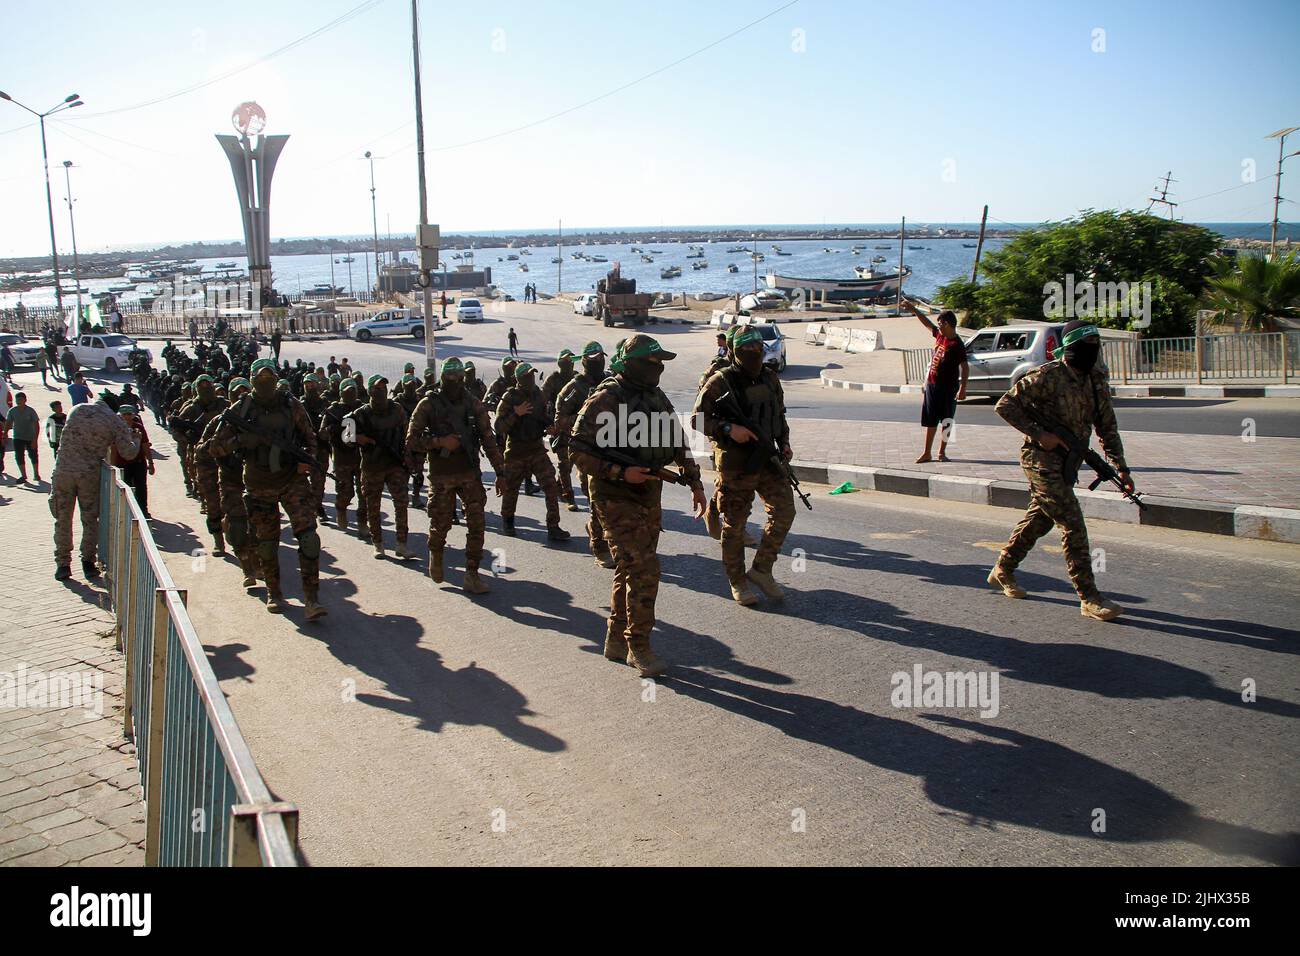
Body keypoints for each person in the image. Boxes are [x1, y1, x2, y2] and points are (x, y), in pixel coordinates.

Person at [571, 335, 707, 677]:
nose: (657, 367)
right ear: (631, 362)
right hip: (614, 497)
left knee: (629, 569)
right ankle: (639, 646)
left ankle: (615, 640)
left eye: (660, 362)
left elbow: (676, 440)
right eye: (651, 361)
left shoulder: (655, 396)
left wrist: (695, 482)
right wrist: (620, 471)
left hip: (649, 493)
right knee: (645, 571)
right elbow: (577, 450)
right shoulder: (606, 397)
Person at [990, 320, 1132, 622]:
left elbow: (1107, 426)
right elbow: (1005, 405)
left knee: (1040, 521)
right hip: (1039, 460)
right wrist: (1040, 434)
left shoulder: (1095, 380)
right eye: (1085, 346)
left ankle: (1003, 568)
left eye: (1096, 346)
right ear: (1070, 349)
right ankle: (1089, 597)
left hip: (1069, 462)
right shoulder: (1047, 376)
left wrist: (1121, 468)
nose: (1091, 352)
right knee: (1072, 523)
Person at [205, 358, 327, 618]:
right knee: (267, 543)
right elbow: (214, 447)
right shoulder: (240, 410)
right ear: (251, 381)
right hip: (259, 485)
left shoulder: (290, 404)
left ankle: (312, 599)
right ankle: (274, 592)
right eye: (261, 380)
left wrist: (306, 461)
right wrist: (242, 440)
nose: (266, 383)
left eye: (270, 379)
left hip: (292, 480)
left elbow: (309, 437)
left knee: (309, 538)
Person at [694, 325, 796, 606]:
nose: (753, 354)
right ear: (734, 352)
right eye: (746, 350)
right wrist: (728, 428)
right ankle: (737, 581)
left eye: (757, 349)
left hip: (767, 457)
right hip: (737, 464)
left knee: (785, 510)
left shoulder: (770, 378)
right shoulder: (720, 381)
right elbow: (697, 420)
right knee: (735, 524)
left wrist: (784, 442)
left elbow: (779, 415)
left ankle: (762, 569)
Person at [407, 357, 506, 593]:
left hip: (469, 473)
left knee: (477, 525)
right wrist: (439, 442)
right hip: (441, 476)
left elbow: (488, 439)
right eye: (449, 378)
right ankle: (437, 555)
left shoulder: (473, 404)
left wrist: (501, 472)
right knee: (440, 524)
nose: (453, 382)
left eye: (457, 378)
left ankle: (472, 574)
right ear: (442, 378)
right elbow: (411, 441)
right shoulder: (428, 404)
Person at [49, 391, 140, 581]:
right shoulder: (114, 421)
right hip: (88, 475)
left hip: (63, 472)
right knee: (90, 520)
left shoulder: (77, 409)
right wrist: (136, 439)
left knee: (62, 519)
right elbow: (128, 453)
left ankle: (62, 564)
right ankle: (88, 563)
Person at [195, 378, 260, 589]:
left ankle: (259, 563)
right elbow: (202, 450)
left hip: (259, 482)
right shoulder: (221, 421)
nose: (241, 395)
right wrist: (233, 443)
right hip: (231, 481)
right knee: (238, 527)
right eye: (237, 391)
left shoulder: (262, 420)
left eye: (245, 391)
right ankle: (247, 568)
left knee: (261, 528)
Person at [494, 362, 569, 541]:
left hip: (536, 449)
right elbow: (498, 427)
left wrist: (550, 427)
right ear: (519, 379)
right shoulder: (509, 397)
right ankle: (508, 521)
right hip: (515, 451)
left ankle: (553, 526)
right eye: (527, 376)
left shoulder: (539, 395)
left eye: (532, 375)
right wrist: (516, 413)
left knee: (551, 486)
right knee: (511, 490)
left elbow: (545, 417)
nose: (531, 379)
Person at [554, 342, 613, 567]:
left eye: (601, 358)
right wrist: (587, 417)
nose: (599, 362)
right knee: (596, 501)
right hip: (587, 452)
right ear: (586, 361)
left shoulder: (610, 382)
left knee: (612, 502)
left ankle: (606, 536)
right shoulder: (574, 387)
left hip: (613, 450)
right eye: (595, 358)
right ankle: (599, 546)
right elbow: (560, 420)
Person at [348, 374, 413, 560]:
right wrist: (357, 438)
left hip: (394, 464)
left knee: (401, 504)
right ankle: (378, 544)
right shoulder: (361, 414)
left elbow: (407, 433)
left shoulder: (397, 410)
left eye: (384, 388)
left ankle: (401, 544)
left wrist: (408, 459)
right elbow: (345, 435)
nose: (381, 392)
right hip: (372, 466)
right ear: (370, 391)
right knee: (373, 507)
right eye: (377, 389)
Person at [903, 301, 968, 464]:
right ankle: (927, 453)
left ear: (948, 324)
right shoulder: (940, 335)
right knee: (930, 419)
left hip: (948, 388)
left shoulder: (957, 345)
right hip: (932, 385)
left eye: (940, 323)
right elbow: (927, 323)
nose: (938, 326)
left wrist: (963, 388)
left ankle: (942, 452)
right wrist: (913, 309)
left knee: (947, 420)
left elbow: (965, 367)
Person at [171, 375, 228, 552]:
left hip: (227, 458)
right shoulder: (191, 408)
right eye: (201, 386)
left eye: (208, 385)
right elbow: (176, 430)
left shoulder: (224, 405)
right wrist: (189, 439)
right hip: (204, 461)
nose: (206, 388)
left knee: (233, 501)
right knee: (212, 502)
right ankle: (218, 540)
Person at [320, 379, 364, 531]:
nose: (350, 394)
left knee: (363, 493)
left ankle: (362, 522)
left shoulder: (362, 408)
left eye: (353, 391)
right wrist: (335, 429)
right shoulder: (333, 410)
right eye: (347, 391)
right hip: (341, 458)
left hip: (360, 457)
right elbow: (323, 434)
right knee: (346, 492)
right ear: (341, 393)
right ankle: (341, 510)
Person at [541, 348, 578, 510]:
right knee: (564, 462)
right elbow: (541, 401)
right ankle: (569, 497)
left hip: (577, 427)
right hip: (559, 426)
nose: (568, 364)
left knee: (570, 463)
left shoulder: (579, 379)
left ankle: (558, 486)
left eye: (570, 361)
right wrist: (547, 424)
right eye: (564, 361)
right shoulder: (553, 379)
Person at [111, 404, 153, 519]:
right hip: (122, 464)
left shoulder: (138, 427)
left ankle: (143, 511)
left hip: (138, 462)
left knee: (141, 488)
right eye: (124, 414)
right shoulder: (117, 429)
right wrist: (113, 466)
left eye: (129, 414)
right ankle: (129, 514)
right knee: (126, 489)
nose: (127, 417)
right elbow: (113, 448)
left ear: (133, 415)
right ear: (120, 415)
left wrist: (150, 462)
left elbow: (145, 445)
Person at [6, 392, 41, 483]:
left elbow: (36, 425)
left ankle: (36, 473)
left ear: (25, 400)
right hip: (17, 437)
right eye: (17, 399)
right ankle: (23, 475)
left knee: (33, 455)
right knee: (19, 456)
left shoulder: (30, 411)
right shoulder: (12, 411)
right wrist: (5, 433)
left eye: (21, 399)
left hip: (30, 437)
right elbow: (8, 422)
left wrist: (35, 440)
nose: (19, 401)